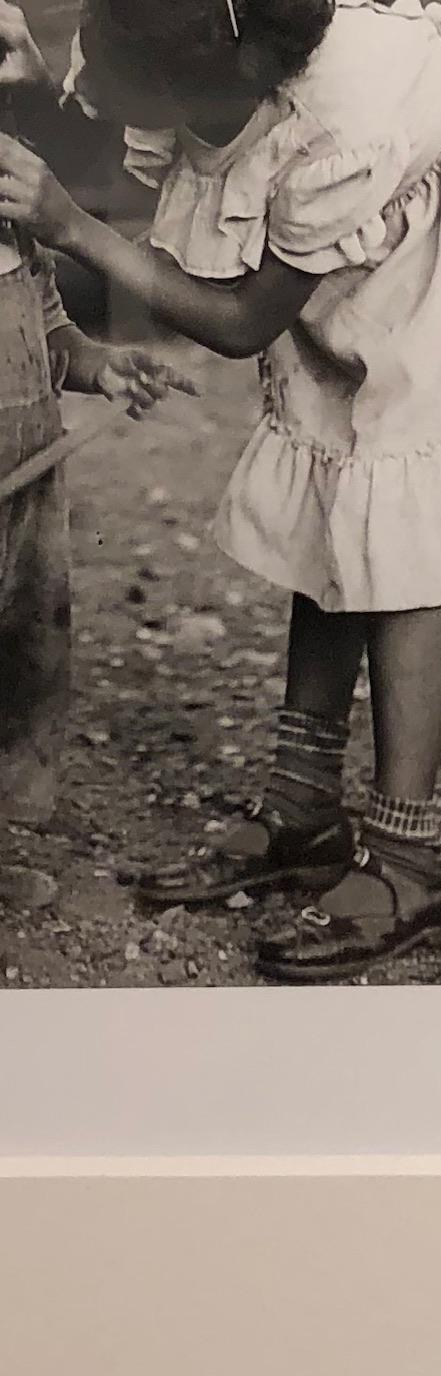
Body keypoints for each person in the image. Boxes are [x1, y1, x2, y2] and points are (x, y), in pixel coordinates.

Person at [0, 0, 441, 979]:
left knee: (391, 479)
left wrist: (72, 226)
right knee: (325, 449)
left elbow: (239, 320)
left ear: (222, 78)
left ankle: (410, 859)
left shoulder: (345, 125)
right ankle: (302, 806)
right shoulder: (209, 41)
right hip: (351, 173)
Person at [0, 1, 190, 907]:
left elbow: (47, 332)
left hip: (23, 515)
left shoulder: (13, 230)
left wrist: (104, 368)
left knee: (18, 667)